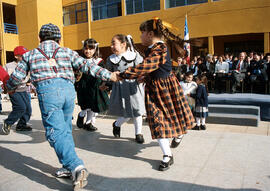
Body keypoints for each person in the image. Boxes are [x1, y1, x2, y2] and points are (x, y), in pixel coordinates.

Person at [5, 23, 119, 190]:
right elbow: (88, 65)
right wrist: (109, 75)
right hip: (68, 92)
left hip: (48, 93)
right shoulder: (67, 52)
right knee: (64, 131)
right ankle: (67, 168)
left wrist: (9, 87)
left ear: (39, 38)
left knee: (55, 133)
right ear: (59, 39)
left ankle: (76, 167)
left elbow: (16, 77)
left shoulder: (30, 55)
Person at [119, 18, 194, 171]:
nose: (140, 37)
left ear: (150, 34)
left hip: (167, 89)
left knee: (174, 117)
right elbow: (151, 70)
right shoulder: (152, 49)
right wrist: (145, 77)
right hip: (154, 90)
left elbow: (147, 66)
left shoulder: (160, 49)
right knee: (156, 121)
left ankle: (179, 134)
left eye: (142, 33)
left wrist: (123, 74)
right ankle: (168, 155)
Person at [105, 34, 145, 144]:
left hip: (134, 87)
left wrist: (142, 77)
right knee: (126, 113)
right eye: (111, 44)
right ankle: (117, 124)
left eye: (114, 43)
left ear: (123, 44)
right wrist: (107, 84)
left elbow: (142, 69)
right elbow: (108, 73)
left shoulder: (135, 56)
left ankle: (138, 133)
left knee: (137, 111)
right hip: (120, 88)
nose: (111, 46)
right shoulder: (110, 59)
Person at [75, 38, 109, 131]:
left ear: (95, 49)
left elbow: (103, 73)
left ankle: (88, 123)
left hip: (94, 86)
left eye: (91, 49)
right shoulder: (80, 60)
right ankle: (81, 115)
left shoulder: (99, 61)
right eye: (86, 48)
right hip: (83, 86)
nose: (88, 51)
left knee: (93, 106)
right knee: (85, 105)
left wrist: (104, 84)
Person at [3, 46, 32, 133]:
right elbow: (4, 78)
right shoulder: (9, 66)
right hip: (13, 90)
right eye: (23, 56)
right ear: (16, 56)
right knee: (20, 108)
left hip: (24, 89)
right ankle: (8, 122)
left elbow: (29, 77)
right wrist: (5, 88)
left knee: (28, 109)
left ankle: (21, 125)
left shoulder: (27, 65)